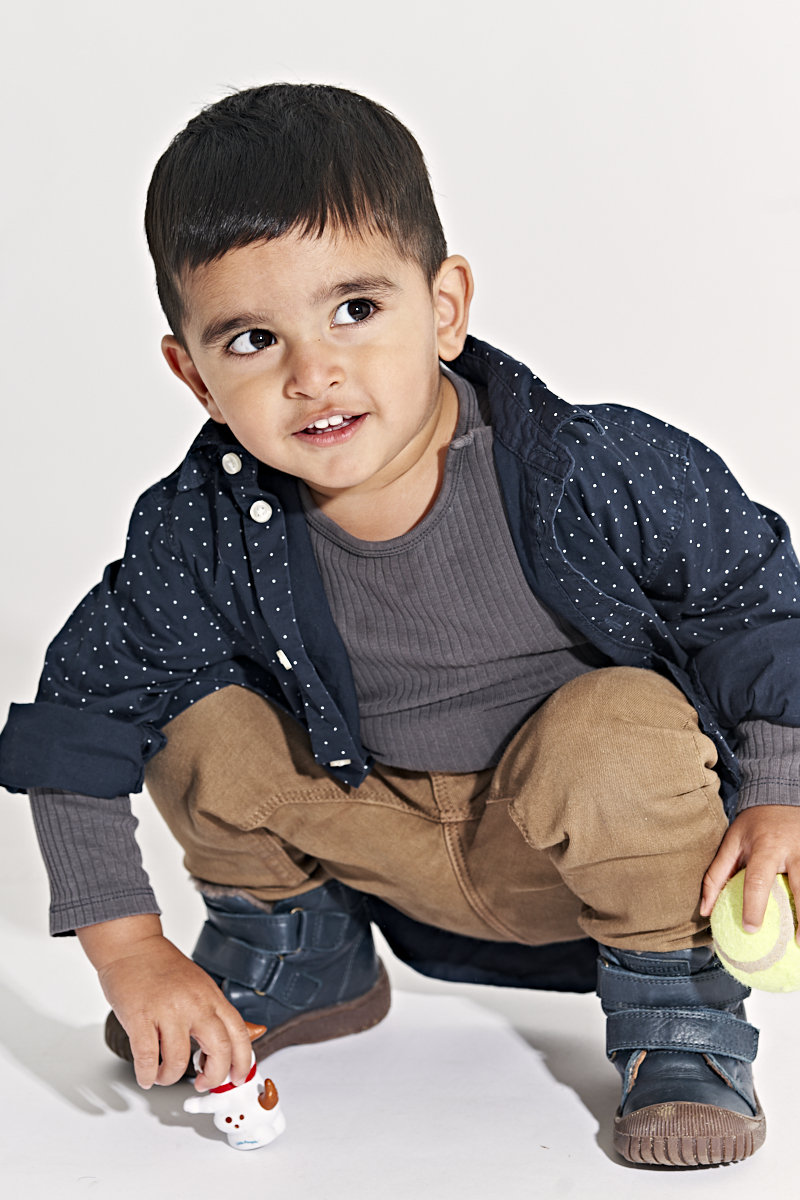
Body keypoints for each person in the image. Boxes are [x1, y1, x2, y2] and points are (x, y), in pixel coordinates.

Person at [2, 83, 800, 1168]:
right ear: (193, 375)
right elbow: (79, 722)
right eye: (252, 339)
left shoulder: (593, 465)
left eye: (355, 311)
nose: (312, 373)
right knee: (198, 719)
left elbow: (756, 614)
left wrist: (778, 787)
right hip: (373, 835)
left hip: (592, 853)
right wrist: (130, 952)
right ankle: (299, 946)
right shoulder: (199, 530)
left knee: (618, 721)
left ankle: (679, 1012)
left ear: (444, 305)